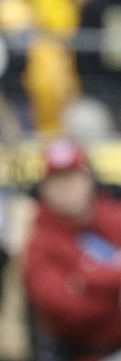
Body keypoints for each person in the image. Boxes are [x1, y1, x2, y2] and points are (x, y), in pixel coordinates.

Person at [23, 139, 121, 361]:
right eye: (57, 181)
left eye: (72, 178)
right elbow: (65, 311)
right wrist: (115, 279)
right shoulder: (39, 240)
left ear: (89, 179)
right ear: (44, 188)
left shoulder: (115, 217)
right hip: (78, 353)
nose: (66, 188)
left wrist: (83, 280)